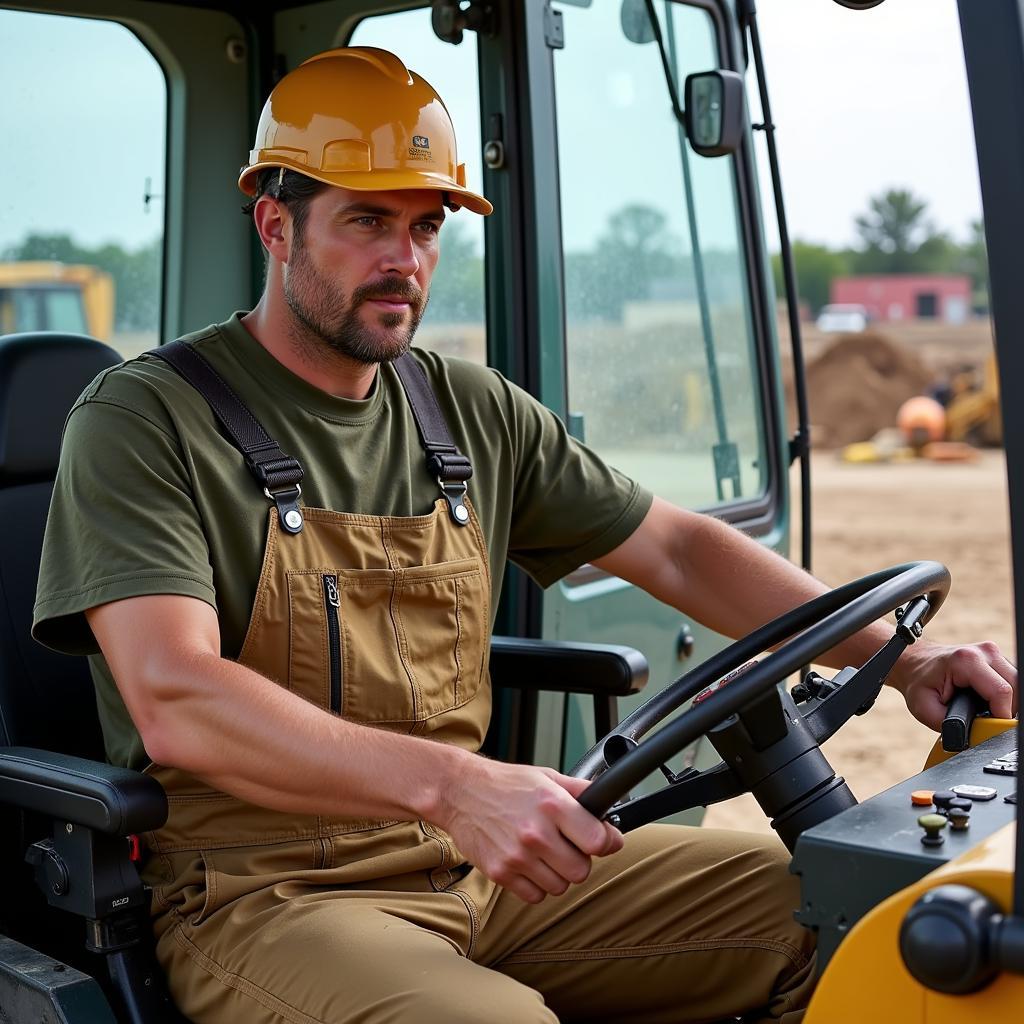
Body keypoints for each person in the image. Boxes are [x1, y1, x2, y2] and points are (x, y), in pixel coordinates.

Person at [33, 47, 1017, 1024]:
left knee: (868, 911)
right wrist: (458, 784)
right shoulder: (145, 419)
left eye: (425, 228)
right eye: (367, 222)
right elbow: (176, 698)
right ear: (276, 225)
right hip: (267, 894)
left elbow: (676, 550)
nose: (403, 261)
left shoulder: (467, 410)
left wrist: (908, 662)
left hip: (481, 865)